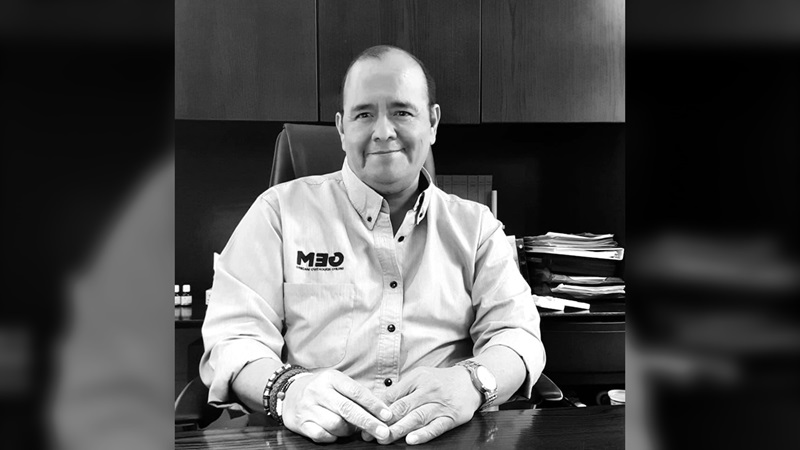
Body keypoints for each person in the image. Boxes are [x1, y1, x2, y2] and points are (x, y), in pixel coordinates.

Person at [200, 45, 545, 445]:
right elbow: (234, 339)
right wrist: (287, 390)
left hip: (444, 438)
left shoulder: (477, 227)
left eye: (402, 112)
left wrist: (471, 383)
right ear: (341, 128)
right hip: (314, 440)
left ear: (432, 122)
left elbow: (517, 336)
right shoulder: (278, 213)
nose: (383, 131)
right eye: (364, 114)